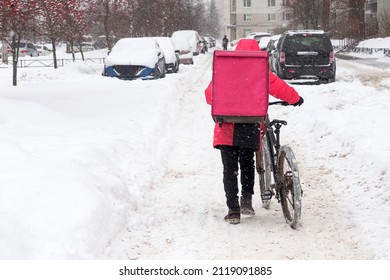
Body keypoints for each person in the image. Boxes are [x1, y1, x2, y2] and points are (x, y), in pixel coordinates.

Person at [204, 39, 304, 224]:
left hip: (226, 127)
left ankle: (233, 211)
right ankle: (247, 201)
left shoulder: (225, 71)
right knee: (247, 163)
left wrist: (230, 101)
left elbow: (209, 96)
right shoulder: (260, 71)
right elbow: (279, 88)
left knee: (229, 169)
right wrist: (295, 98)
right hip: (250, 125)